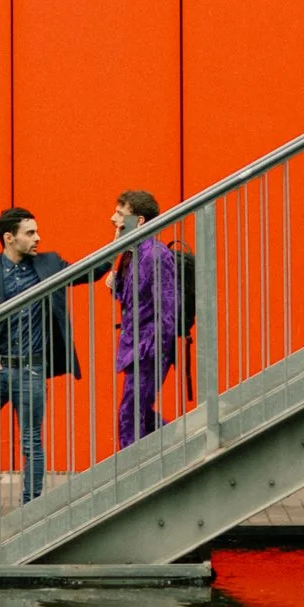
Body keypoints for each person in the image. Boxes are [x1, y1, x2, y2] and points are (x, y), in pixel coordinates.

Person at [0, 206, 77, 502]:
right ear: (9, 238)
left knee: (31, 440)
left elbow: (89, 270)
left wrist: (124, 237)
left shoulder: (49, 263)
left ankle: (32, 502)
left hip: (31, 370)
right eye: (30, 233)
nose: (38, 237)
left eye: (36, 231)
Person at [107, 187, 184, 449]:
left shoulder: (156, 254)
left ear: (139, 220)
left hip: (148, 350)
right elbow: (133, 298)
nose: (113, 219)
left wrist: (156, 350)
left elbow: (168, 308)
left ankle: (133, 471)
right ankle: (177, 446)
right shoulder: (131, 252)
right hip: (135, 348)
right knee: (138, 410)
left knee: (130, 412)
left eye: (120, 214)